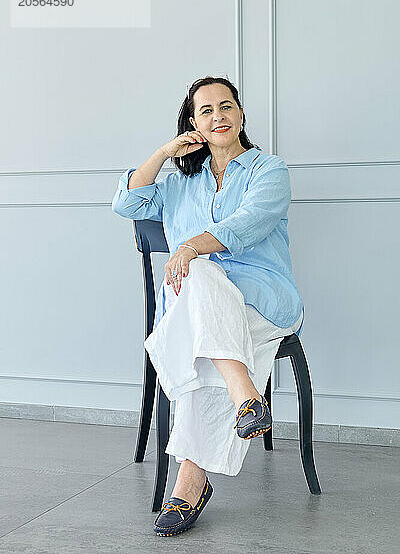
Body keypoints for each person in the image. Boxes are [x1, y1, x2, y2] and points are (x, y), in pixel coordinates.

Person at [111, 76, 304, 537]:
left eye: (226, 106)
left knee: (197, 316)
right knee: (200, 304)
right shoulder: (180, 183)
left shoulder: (268, 170)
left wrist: (190, 247)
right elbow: (126, 201)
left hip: (261, 300)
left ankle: (190, 481)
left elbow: (248, 222)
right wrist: (164, 153)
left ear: (240, 114)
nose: (218, 116)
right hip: (196, 309)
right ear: (193, 123)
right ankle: (245, 397)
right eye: (206, 111)